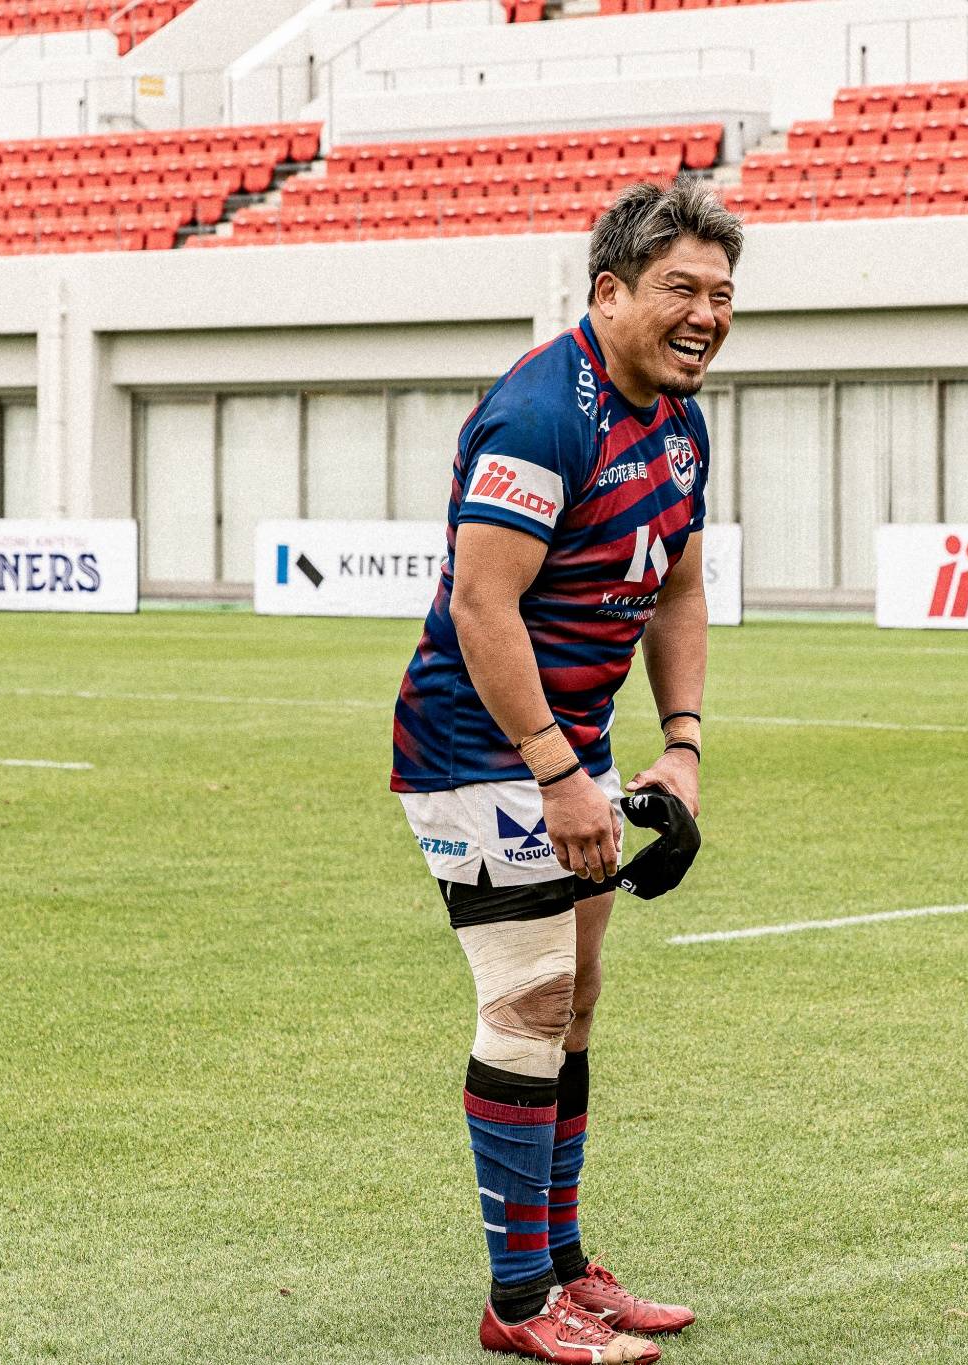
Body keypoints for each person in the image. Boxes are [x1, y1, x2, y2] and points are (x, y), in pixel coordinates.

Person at [389, 182, 738, 1363]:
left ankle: (563, 1267)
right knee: (529, 1003)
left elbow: (678, 590)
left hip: (568, 746)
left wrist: (680, 743)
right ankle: (517, 1298)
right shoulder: (542, 412)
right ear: (609, 291)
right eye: (680, 289)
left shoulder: (680, 422)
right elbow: (481, 606)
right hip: (476, 747)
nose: (705, 316)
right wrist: (556, 773)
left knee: (574, 1005)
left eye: (721, 295)